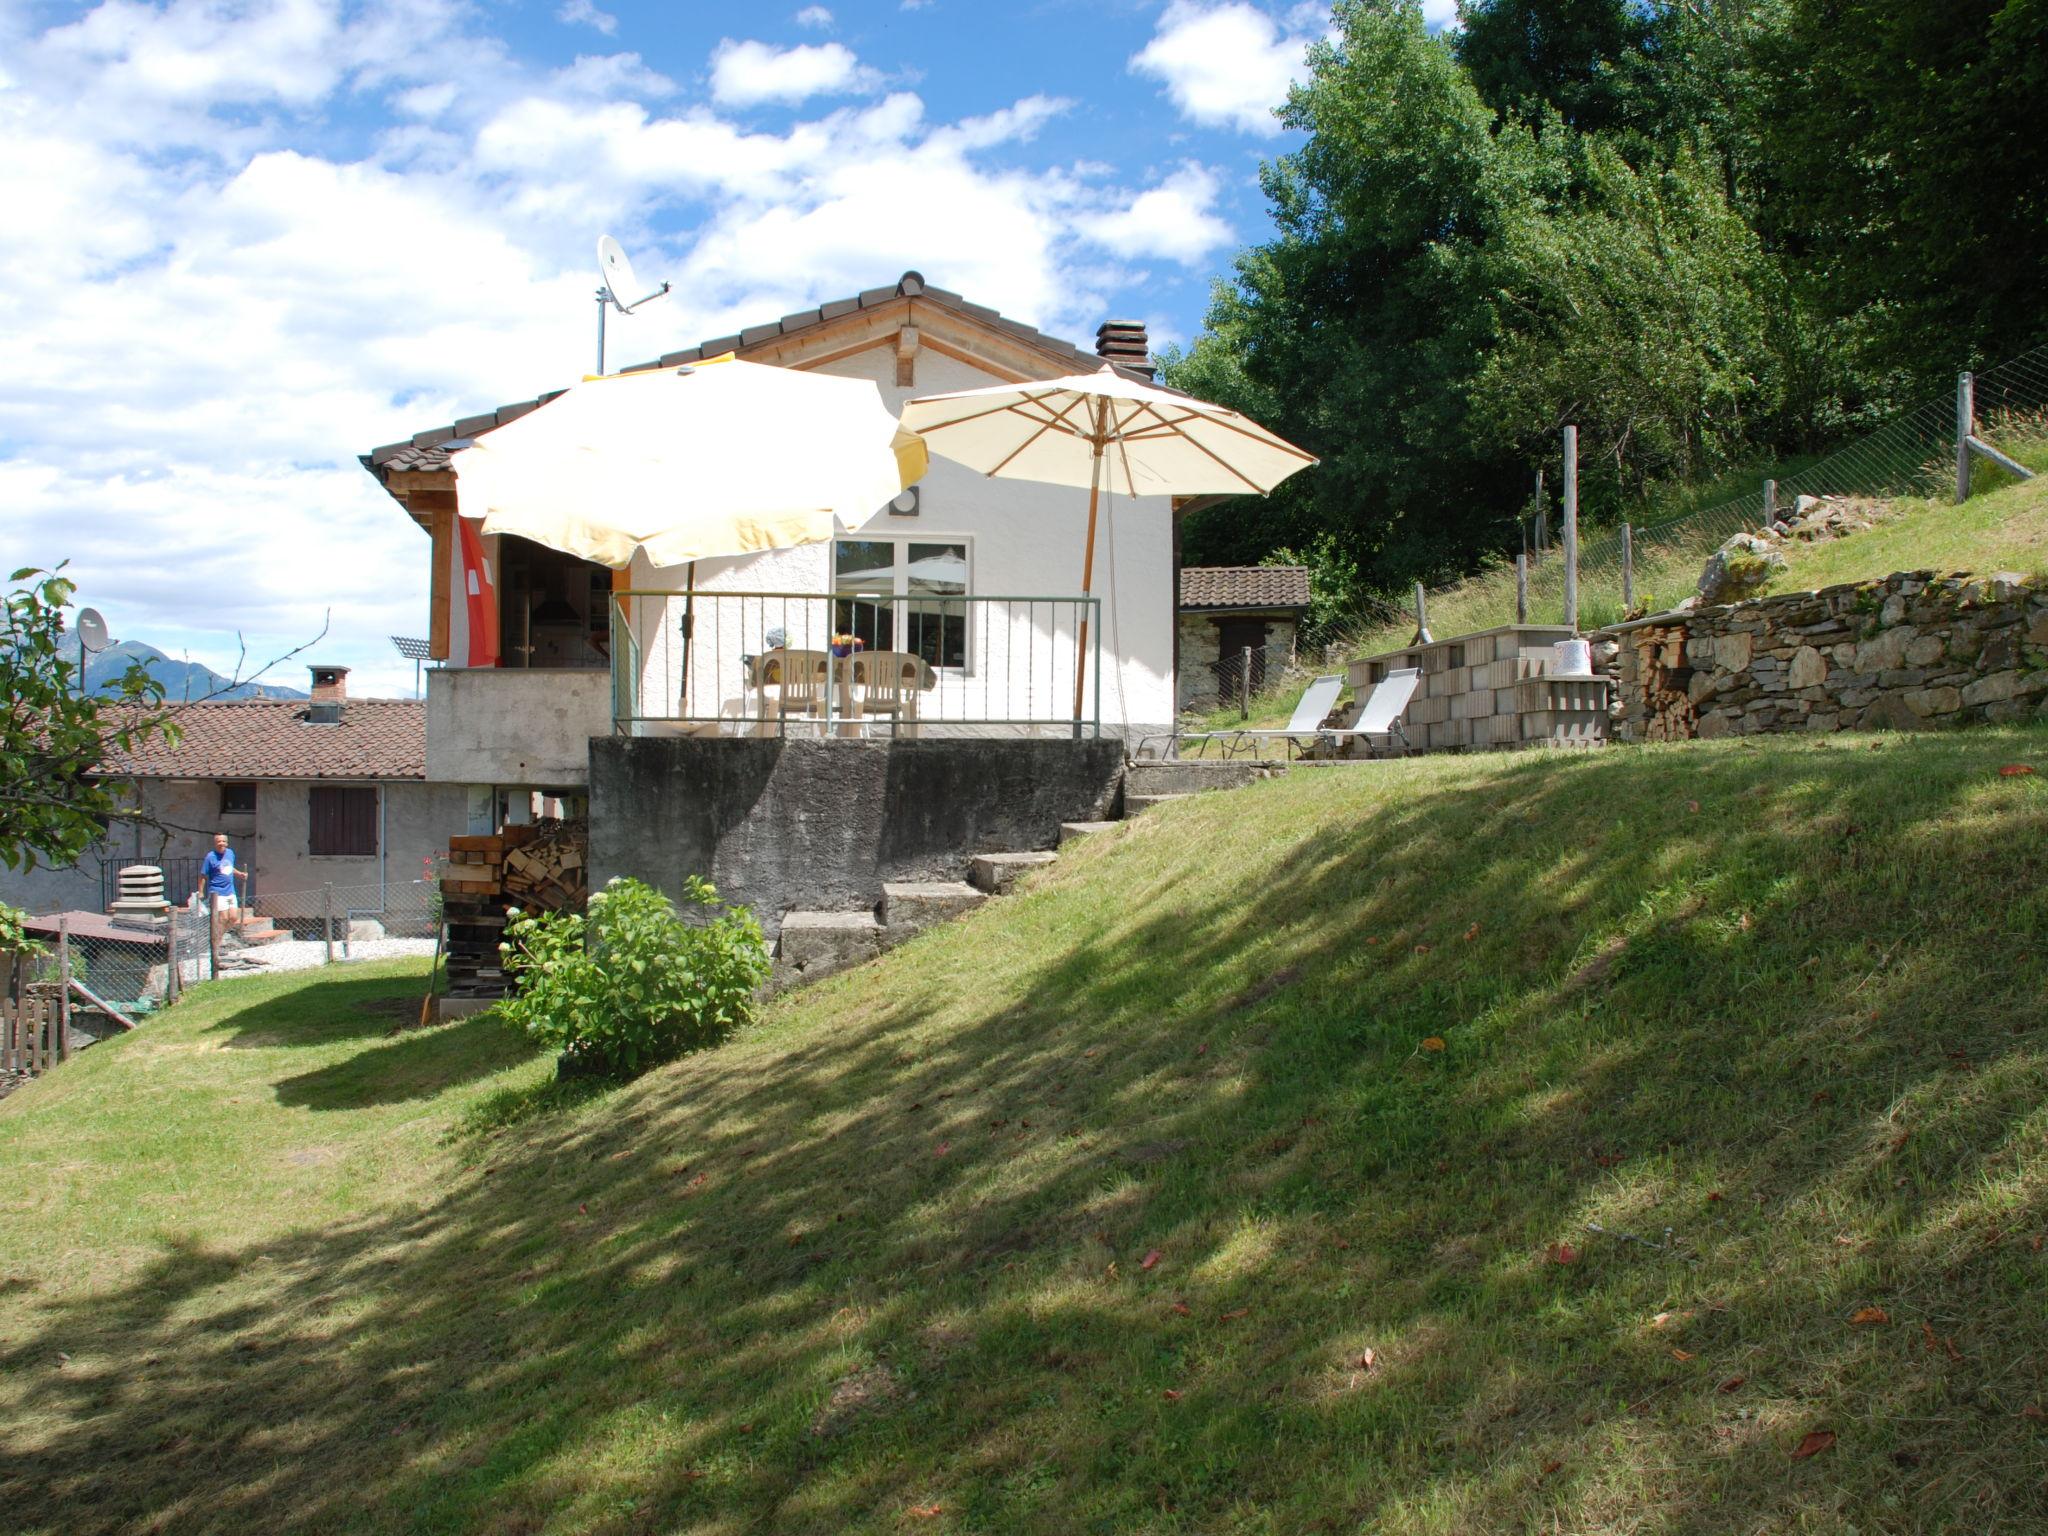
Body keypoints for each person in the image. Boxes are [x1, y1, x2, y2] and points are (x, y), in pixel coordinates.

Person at [196, 832, 248, 922]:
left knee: (233, 917)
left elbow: (229, 868)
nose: (221, 843)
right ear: (215, 843)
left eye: (224, 841)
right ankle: (218, 935)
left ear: (227, 843)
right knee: (223, 918)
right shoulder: (210, 857)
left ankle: (219, 934)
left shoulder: (230, 853)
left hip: (230, 891)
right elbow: (202, 875)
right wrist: (201, 892)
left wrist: (240, 874)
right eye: (219, 841)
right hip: (217, 892)